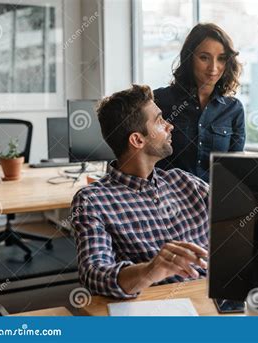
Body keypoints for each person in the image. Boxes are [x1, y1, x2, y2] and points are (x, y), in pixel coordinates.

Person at [70, 84, 209, 298]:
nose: (169, 126)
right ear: (137, 139)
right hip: (162, 310)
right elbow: (94, 274)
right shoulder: (92, 201)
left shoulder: (184, 182)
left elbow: (241, 216)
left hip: (217, 303)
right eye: (159, 120)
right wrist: (150, 270)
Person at [154, 23, 245, 182]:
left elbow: (234, 171)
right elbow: (144, 158)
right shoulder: (160, 101)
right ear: (189, 58)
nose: (213, 68)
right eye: (204, 57)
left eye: (221, 59)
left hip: (213, 201)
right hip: (167, 200)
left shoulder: (234, 109)